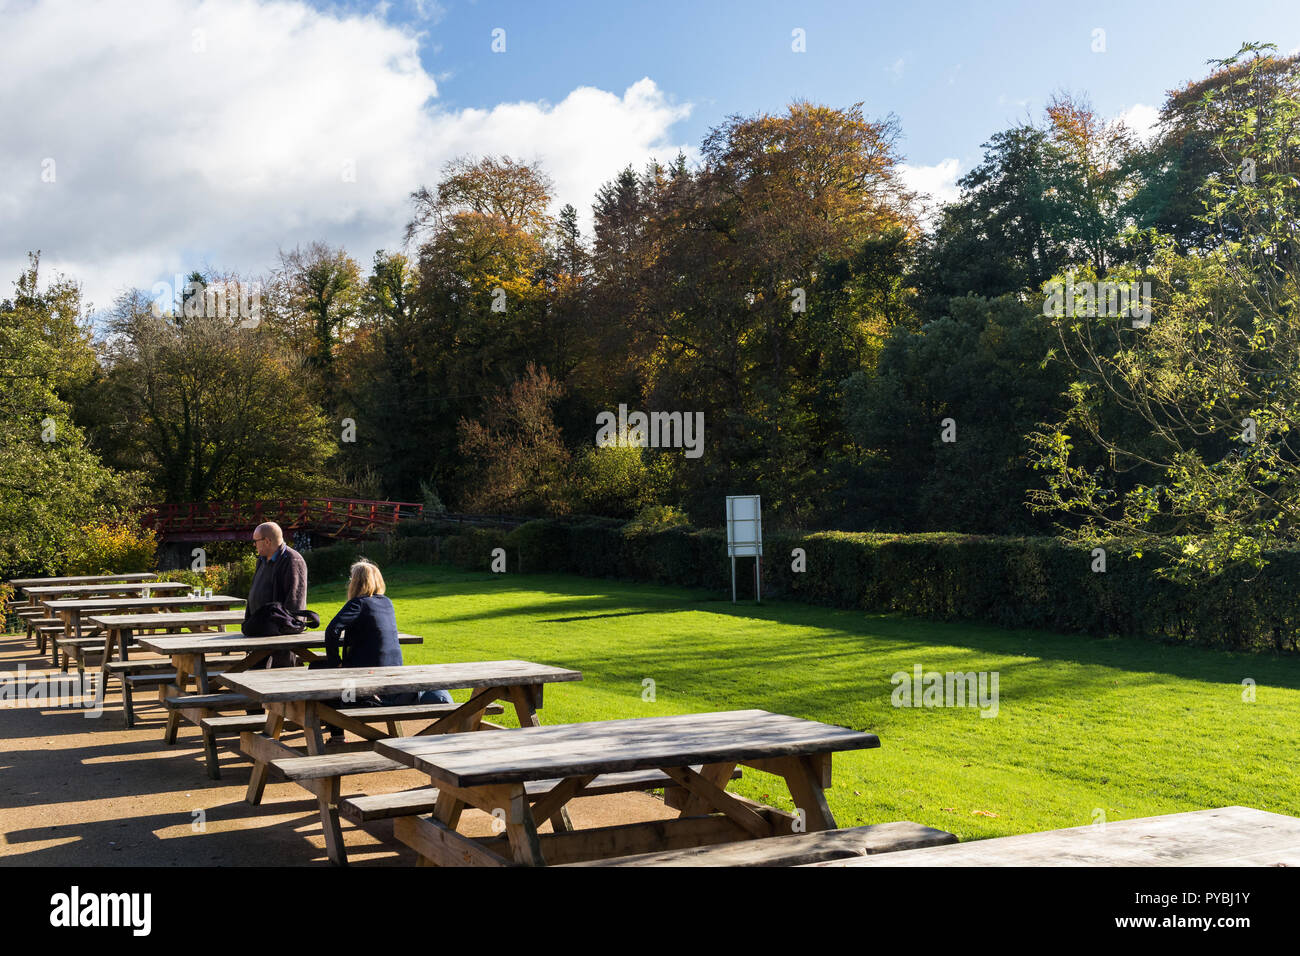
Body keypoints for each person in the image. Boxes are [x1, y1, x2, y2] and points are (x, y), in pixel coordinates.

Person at [322, 559, 451, 742]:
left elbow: (332, 630)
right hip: (392, 677)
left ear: (356, 582)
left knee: (320, 673)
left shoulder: (358, 603)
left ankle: (337, 734)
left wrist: (336, 663)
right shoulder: (387, 603)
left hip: (366, 678)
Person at [246, 521, 309, 668]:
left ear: (267, 541)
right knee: (255, 673)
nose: (254, 545)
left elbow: (295, 600)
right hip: (260, 630)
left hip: (280, 634)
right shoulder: (261, 560)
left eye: (256, 541)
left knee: (281, 675)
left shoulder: (292, 560)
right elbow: (254, 592)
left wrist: (285, 629)